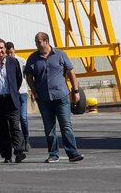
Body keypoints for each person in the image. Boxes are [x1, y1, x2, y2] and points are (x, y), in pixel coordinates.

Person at [24, 32, 84, 164]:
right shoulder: (33, 58)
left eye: (38, 42)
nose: (36, 44)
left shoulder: (60, 55)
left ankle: (73, 153)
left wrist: (75, 91)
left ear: (46, 41)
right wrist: (34, 91)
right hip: (44, 99)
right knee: (49, 128)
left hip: (61, 96)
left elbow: (71, 73)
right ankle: (53, 154)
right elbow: (29, 76)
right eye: (36, 42)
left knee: (66, 126)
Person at [5, 41, 30, 150]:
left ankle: (26, 139)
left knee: (23, 118)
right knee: (13, 120)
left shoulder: (22, 61)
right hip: (11, 94)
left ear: (14, 50)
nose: (10, 55)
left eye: (11, 52)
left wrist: (32, 90)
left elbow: (28, 77)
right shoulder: (4, 63)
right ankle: (17, 142)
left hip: (23, 92)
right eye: (8, 53)